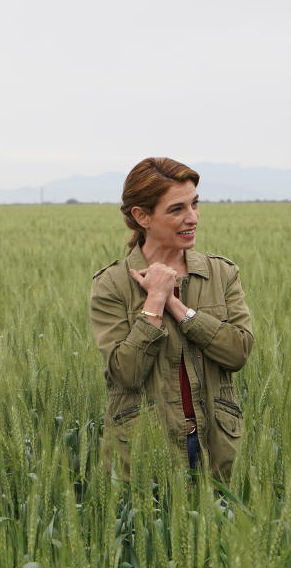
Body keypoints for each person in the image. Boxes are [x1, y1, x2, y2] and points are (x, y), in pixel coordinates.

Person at [90, 157, 254, 481]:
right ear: (141, 216)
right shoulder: (112, 284)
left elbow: (238, 352)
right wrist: (153, 301)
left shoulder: (221, 273)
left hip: (217, 447)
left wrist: (179, 309)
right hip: (144, 453)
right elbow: (125, 374)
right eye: (177, 209)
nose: (192, 218)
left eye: (195, 204)